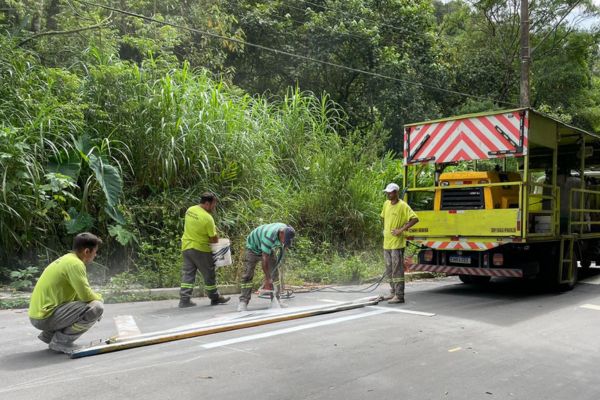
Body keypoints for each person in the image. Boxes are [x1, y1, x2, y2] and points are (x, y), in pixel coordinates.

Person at [28, 232, 104, 354]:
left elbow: (80, 296)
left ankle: (49, 336)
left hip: (39, 314)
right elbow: (86, 295)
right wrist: (99, 299)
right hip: (44, 317)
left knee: (88, 304)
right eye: (95, 252)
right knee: (97, 308)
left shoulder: (67, 259)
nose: (96, 255)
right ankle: (60, 342)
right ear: (86, 251)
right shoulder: (75, 264)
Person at [179, 192, 230, 308]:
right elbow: (214, 240)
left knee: (188, 274)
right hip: (200, 249)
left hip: (186, 247)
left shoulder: (190, 210)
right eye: (213, 205)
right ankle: (215, 298)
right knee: (209, 274)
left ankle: (184, 300)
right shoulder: (208, 218)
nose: (213, 207)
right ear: (207, 203)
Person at [238, 223, 296, 311]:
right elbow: (264, 260)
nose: (284, 242)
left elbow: (284, 247)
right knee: (247, 275)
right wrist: (268, 279)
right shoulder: (268, 237)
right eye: (284, 240)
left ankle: (276, 300)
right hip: (253, 248)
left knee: (275, 274)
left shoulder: (286, 230)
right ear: (281, 233)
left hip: (268, 248)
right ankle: (243, 302)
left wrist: (285, 246)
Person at [381, 183, 419, 304]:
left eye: (391, 192)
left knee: (397, 269)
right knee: (389, 268)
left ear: (396, 193)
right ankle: (393, 292)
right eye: (387, 192)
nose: (388, 194)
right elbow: (383, 217)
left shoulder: (403, 206)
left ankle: (399, 295)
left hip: (397, 244)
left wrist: (401, 230)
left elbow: (415, 219)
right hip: (386, 243)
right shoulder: (386, 204)